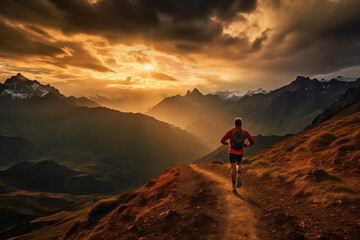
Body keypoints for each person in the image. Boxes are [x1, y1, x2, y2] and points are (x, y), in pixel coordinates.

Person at [220, 117, 254, 192]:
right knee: (238, 164)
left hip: (232, 152)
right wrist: (247, 145)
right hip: (240, 152)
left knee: (233, 168)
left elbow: (222, 140)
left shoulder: (230, 132)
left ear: (234, 124)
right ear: (241, 124)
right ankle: (239, 176)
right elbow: (252, 141)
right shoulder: (245, 133)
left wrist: (227, 143)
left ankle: (233, 186)